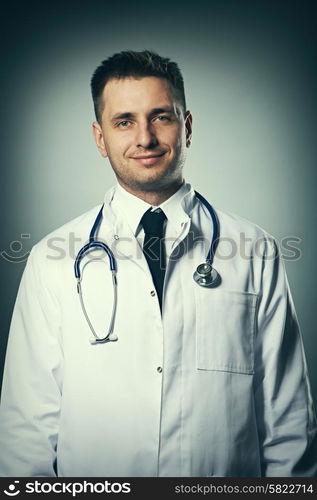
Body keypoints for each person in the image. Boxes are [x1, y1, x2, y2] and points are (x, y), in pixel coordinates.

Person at [0, 50, 316, 478]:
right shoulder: (50, 261)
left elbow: (289, 420)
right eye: (124, 121)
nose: (144, 137)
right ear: (100, 138)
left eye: (161, 117)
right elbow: (25, 432)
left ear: (186, 127)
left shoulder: (255, 249)